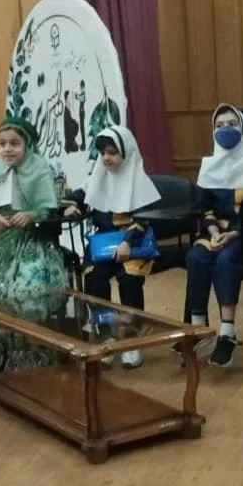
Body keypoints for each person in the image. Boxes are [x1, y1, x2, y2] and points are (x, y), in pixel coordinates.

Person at [0, 116, 68, 375]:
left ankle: (29, 352)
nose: (7, 149)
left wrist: (31, 215)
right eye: (2, 144)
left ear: (27, 144)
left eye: (14, 144)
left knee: (27, 289)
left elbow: (48, 209)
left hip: (32, 240)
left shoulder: (40, 168)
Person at [65, 126, 162, 368]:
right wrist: (72, 206)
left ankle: (131, 340)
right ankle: (106, 336)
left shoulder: (139, 181)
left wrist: (127, 241)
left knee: (129, 282)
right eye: (103, 154)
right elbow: (79, 197)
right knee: (95, 280)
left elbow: (144, 220)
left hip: (132, 245)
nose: (106, 158)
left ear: (125, 153)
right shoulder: (96, 179)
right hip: (103, 246)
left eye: (112, 152)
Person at [186, 104, 243, 368]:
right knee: (196, 257)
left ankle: (227, 333)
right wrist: (214, 231)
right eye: (219, 125)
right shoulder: (210, 166)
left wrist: (234, 234)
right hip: (216, 232)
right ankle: (197, 328)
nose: (226, 129)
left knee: (226, 260)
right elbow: (203, 207)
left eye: (232, 124)